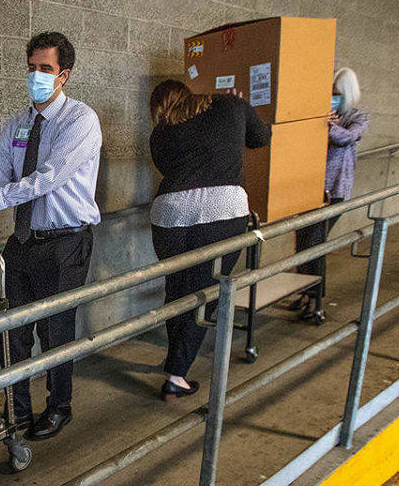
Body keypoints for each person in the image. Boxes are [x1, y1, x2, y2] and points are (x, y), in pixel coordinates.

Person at [0, 32, 102, 441]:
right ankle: (17, 410)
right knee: (15, 332)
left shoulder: (80, 121)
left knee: (56, 331)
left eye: (46, 69)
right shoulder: (16, 125)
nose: (37, 76)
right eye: (32, 68)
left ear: (64, 75)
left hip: (66, 242)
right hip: (23, 240)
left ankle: (59, 407)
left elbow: (47, 179)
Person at [147, 80, 270, 401]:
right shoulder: (231, 105)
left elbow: (171, 168)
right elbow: (261, 138)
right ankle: (176, 375)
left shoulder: (159, 134)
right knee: (205, 291)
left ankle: (175, 360)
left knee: (177, 287)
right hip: (222, 209)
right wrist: (240, 114)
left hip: (169, 214)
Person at [291, 68, 369, 321]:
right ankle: (303, 293)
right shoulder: (323, 114)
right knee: (303, 242)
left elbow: (348, 138)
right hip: (309, 186)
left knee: (315, 243)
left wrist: (325, 125)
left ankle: (316, 301)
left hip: (333, 190)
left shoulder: (356, 117)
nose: (332, 97)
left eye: (337, 93)